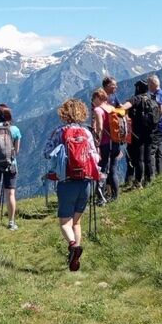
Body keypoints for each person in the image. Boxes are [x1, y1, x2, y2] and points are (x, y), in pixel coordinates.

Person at [46, 97, 101, 271]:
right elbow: (95, 156)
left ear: (64, 113)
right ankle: (75, 258)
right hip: (85, 182)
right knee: (76, 222)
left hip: (66, 181)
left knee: (65, 223)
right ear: (82, 113)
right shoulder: (87, 132)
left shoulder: (59, 132)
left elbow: (47, 153)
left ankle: (72, 246)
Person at [125, 80, 161, 188]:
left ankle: (138, 182)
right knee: (148, 157)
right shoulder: (151, 98)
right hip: (150, 132)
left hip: (138, 134)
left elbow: (125, 107)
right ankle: (149, 179)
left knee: (139, 159)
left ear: (138, 88)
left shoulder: (136, 98)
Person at [90, 88, 120, 204]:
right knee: (113, 169)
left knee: (101, 169)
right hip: (115, 142)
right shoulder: (111, 108)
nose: (92, 101)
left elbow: (100, 128)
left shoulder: (98, 110)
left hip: (104, 143)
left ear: (98, 98)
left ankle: (101, 198)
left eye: (93, 99)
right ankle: (115, 196)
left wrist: (96, 143)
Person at [148, 74, 162, 176]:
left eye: (149, 84)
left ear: (153, 84)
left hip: (158, 127)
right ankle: (160, 172)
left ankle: (151, 175)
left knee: (151, 151)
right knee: (159, 150)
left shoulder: (158, 95)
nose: (148, 86)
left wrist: (154, 120)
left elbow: (161, 110)